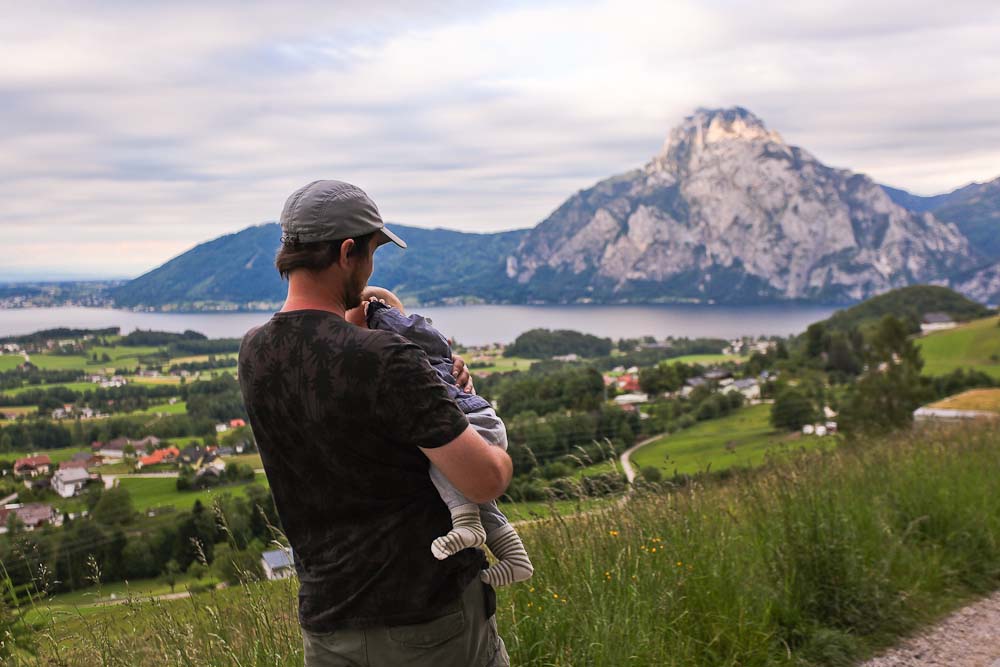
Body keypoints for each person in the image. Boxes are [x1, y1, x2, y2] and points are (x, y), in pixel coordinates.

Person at [238, 180, 512, 666]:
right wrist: (465, 404)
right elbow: (485, 479)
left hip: (327, 624)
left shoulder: (255, 353)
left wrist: (415, 371)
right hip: (428, 618)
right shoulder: (387, 361)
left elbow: (324, 349)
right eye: (370, 253)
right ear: (348, 252)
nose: (370, 267)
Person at [345, 287, 533, 588]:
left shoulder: (398, 355)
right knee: (478, 499)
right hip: (480, 422)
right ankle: (515, 559)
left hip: (474, 423)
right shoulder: (417, 355)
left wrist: (378, 313)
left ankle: (466, 524)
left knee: (444, 460)